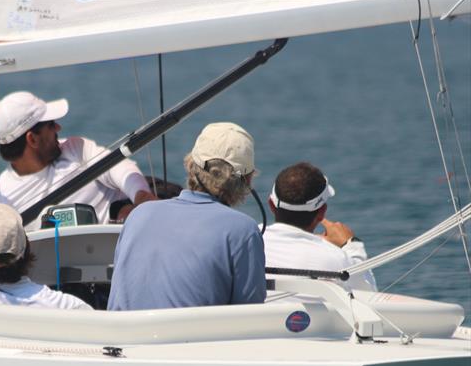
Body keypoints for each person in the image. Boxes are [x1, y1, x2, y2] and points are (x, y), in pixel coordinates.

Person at [107, 122, 267, 310]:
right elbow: (249, 314)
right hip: (190, 339)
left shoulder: (138, 215)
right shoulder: (242, 231)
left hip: (124, 337)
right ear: (246, 180)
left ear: (191, 165)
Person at [0, 91, 157, 229]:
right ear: (32, 140)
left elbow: (119, 168)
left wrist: (140, 195)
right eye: (51, 124)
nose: (58, 127)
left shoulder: (76, 148)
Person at [264, 162, 377, 291]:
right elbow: (369, 293)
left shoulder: (246, 240)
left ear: (271, 205)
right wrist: (352, 245)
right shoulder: (336, 259)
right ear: (322, 212)